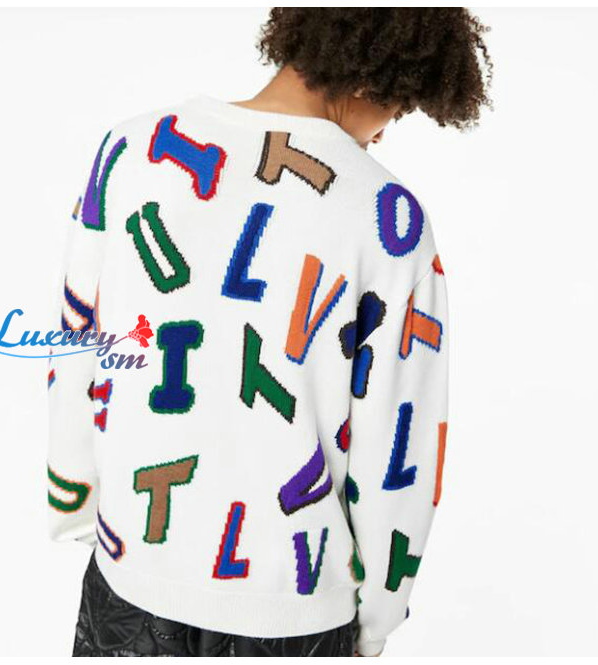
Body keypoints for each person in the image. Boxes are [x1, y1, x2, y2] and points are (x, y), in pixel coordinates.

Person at [47, 7, 492, 657]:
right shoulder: (386, 216)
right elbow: (399, 441)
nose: (381, 134)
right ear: (373, 74)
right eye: (396, 111)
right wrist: (377, 616)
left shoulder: (129, 150)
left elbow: (78, 340)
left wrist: (76, 505)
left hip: (132, 577)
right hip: (296, 609)